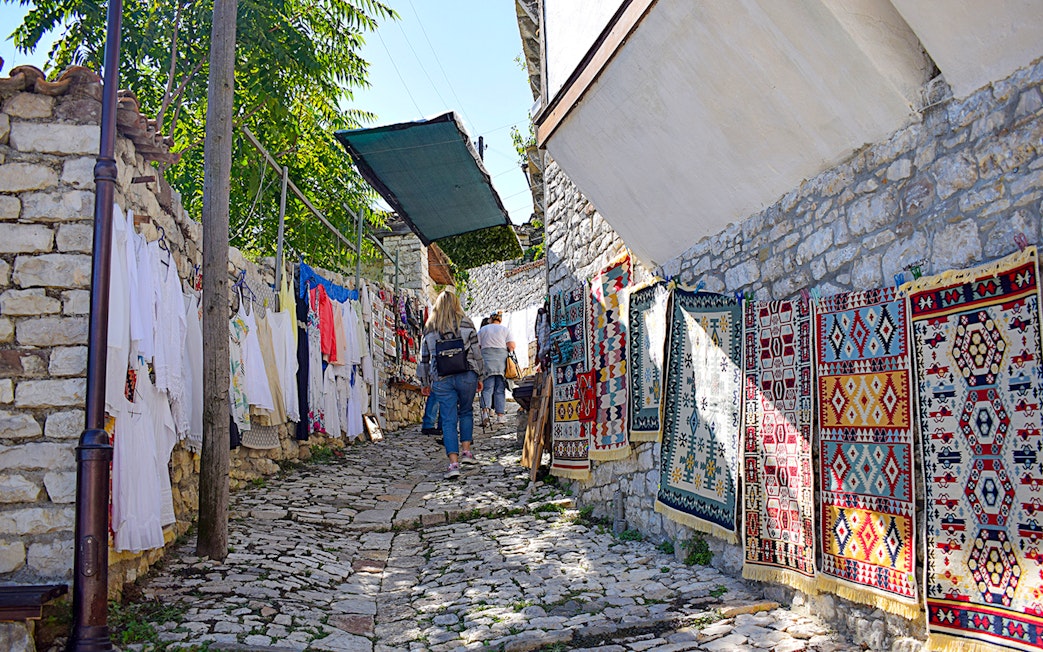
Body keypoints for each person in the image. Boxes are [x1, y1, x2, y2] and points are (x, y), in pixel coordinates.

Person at [419, 290, 484, 479]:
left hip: (441, 377)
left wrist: (424, 381)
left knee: (447, 419)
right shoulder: (466, 322)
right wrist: (480, 376)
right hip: (466, 374)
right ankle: (467, 452)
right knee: (466, 411)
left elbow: (424, 358)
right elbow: (476, 351)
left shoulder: (430, 326)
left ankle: (453, 464)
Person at [477, 311, 515, 425]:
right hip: (501, 362)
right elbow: (512, 346)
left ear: (490, 319)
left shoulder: (483, 330)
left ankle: (485, 414)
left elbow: (477, 346)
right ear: (500, 319)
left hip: (487, 361)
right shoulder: (505, 330)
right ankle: (500, 416)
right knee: (500, 389)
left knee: (487, 388)